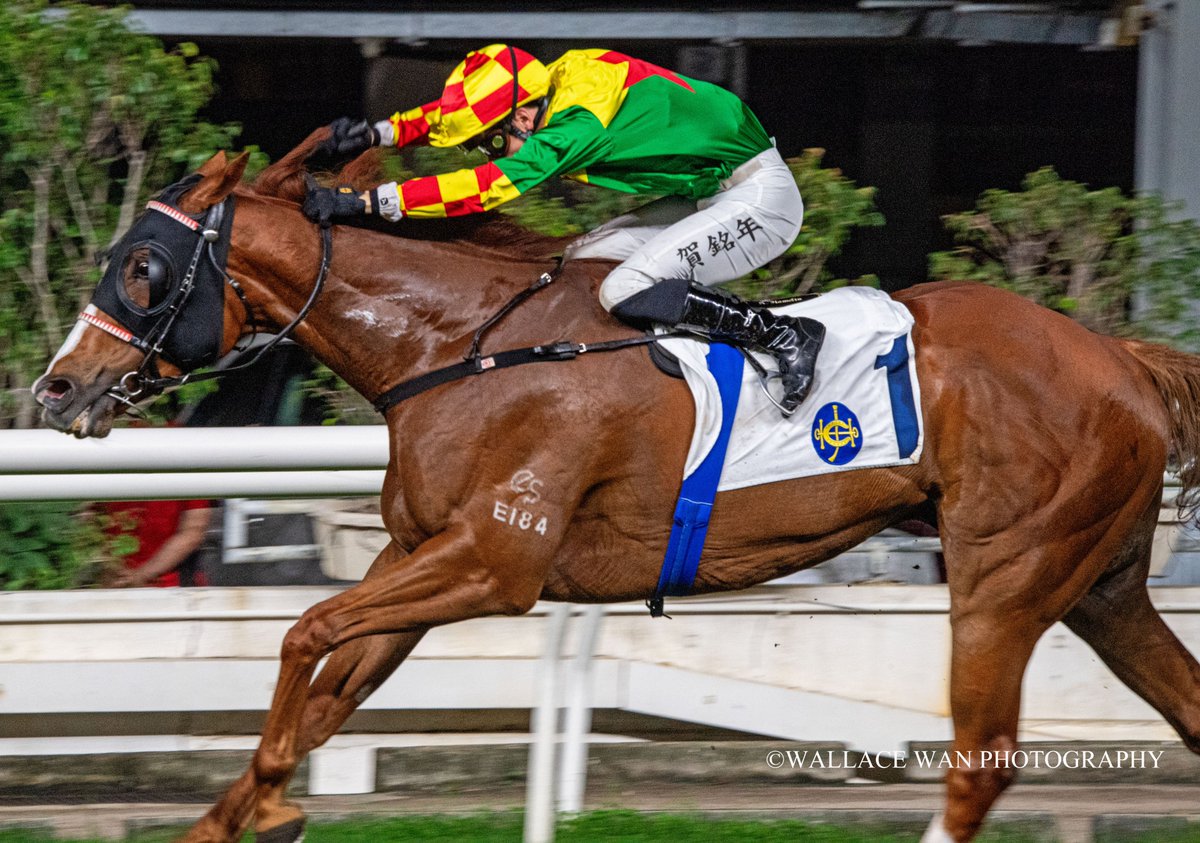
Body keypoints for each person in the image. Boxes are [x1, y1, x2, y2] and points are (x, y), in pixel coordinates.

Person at [304, 44, 824, 414]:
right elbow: (459, 113)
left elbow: (488, 186)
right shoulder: (555, 82)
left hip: (761, 202)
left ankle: (783, 335)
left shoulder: (574, 128)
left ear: (524, 118)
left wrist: (372, 202)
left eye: (491, 141)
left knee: (626, 286)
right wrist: (381, 130)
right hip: (712, 192)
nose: (490, 149)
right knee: (579, 268)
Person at [101, 498, 213, 587]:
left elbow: (193, 532)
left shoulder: (188, 475)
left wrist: (141, 575)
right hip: (108, 581)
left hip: (169, 587)